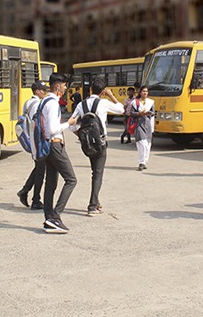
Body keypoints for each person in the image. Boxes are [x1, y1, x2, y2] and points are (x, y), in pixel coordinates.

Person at [69, 78, 124, 216]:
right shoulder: (104, 103)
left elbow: (72, 124)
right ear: (103, 91)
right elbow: (121, 109)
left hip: (87, 144)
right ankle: (92, 206)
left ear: (91, 89)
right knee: (97, 174)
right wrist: (111, 95)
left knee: (95, 172)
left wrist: (81, 136)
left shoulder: (81, 105)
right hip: (100, 143)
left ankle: (96, 201)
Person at [41, 73, 78, 233]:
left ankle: (49, 218)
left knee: (51, 183)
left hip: (48, 146)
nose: (65, 88)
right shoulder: (52, 104)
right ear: (57, 86)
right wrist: (68, 124)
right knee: (71, 179)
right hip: (54, 145)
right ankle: (55, 216)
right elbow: (52, 129)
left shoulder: (44, 102)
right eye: (64, 86)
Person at [17, 80, 50, 210]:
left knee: (39, 168)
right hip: (37, 141)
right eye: (43, 90)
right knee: (41, 169)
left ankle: (26, 191)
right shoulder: (37, 104)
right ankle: (35, 199)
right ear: (37, 91)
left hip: (32, 140)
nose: (45, 92)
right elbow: (38, 124)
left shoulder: (28, 102)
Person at [130, 85, 155, 171]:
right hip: (139, 124)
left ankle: (144, 162)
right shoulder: (135, 102)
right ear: (140, 92)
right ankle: (141, 162)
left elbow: (153, 113)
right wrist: (139, 114)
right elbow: (131, 113)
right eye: (143, 91)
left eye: (146, 91)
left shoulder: (151, 102)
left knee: (147, 145)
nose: (145, 93)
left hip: (148, 125)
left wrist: (148, 113)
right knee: (142, 143)